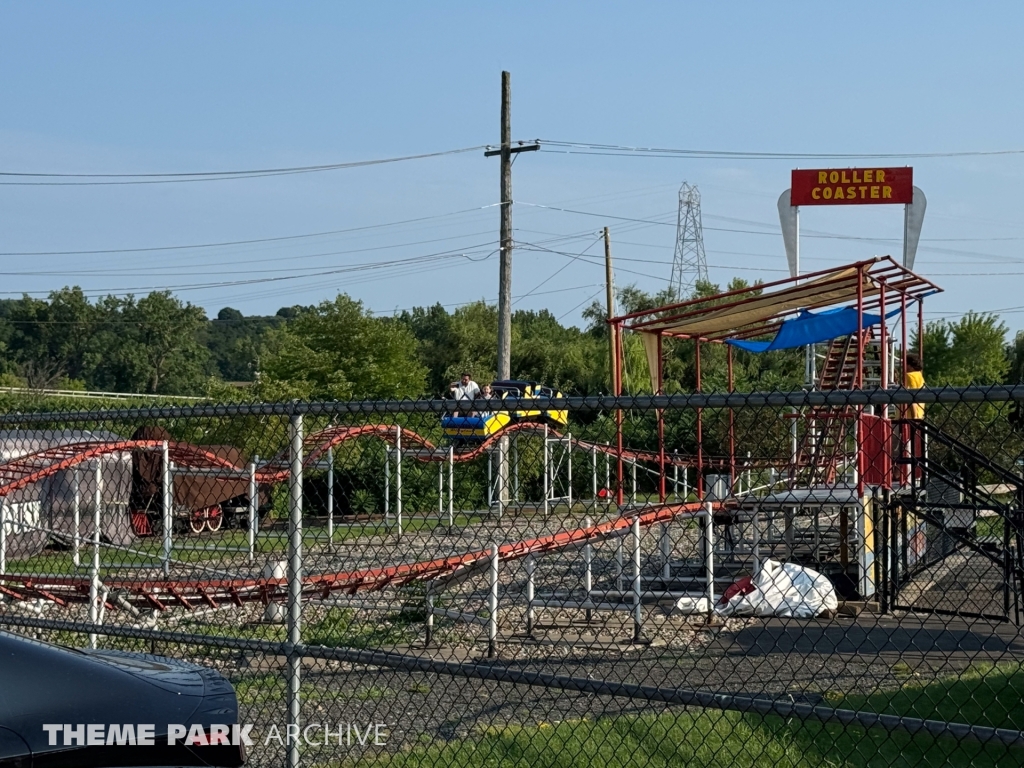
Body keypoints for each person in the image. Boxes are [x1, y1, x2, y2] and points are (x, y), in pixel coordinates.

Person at [904, 353, 925, 420]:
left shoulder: (909, 376)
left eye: (905, 363)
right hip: (919, 413)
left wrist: (914, 417)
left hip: (909, 416)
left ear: (910, 365)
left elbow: (911, 397)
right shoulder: (919, 376)